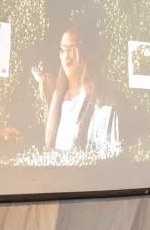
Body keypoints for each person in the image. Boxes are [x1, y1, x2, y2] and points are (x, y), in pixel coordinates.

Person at [32, 26, 120, 158]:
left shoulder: (99, 100)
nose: (67, 55)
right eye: (63, 49)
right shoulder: (59, 102)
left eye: (72, 48)